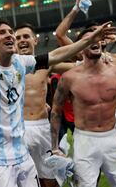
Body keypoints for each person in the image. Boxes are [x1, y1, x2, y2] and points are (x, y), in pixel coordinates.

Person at [0, 16, 115, 187]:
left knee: (49, 180)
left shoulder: (20, 62)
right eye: (2, 33)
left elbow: (56, 54)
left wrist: (90, 40)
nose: (10, 35)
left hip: (22, 153)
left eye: (10, 32)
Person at [51, 27, 116, 187]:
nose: (95, 41)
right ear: (80, 46)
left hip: (112, 137)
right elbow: (56, 111)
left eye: (97, 38)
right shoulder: (69, 77)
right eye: (90, 39)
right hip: (84, 140)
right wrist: (54, 147)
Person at [15, 23, 74, 187]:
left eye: (26, 36)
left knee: (50, 179)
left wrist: (103, 56)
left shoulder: (46, 64)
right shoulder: (7, 66)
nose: (22, 40)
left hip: (43, 127)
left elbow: (80, 66)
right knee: (23, 179)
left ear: (35, 40)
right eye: (18, 38)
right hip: (19, 128)